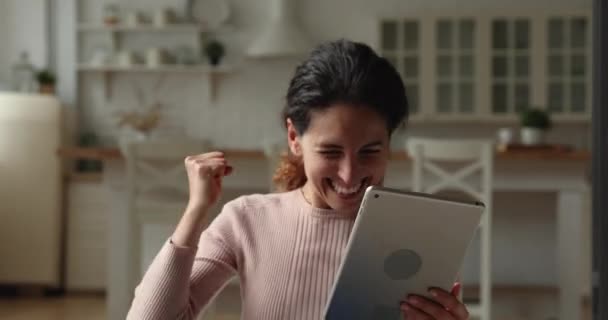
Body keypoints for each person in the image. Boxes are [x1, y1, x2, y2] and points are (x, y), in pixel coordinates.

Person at [127, 39, 469, 320]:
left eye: (369, 151)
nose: (349, 175)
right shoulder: (247, 220)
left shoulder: (417, 231)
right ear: (294, 137)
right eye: (331, 152)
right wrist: (195, 212)